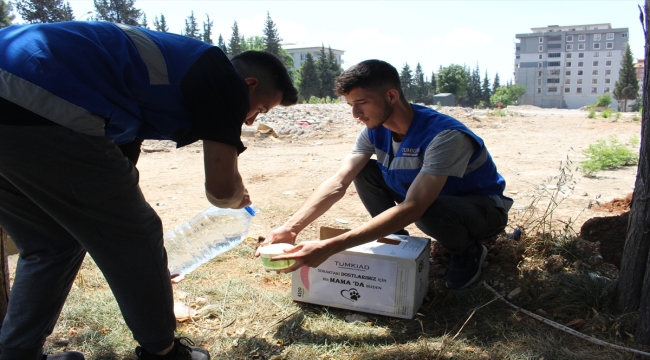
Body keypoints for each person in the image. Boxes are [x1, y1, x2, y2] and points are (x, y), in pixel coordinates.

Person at [0, 21, 298, 360]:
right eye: (259, 110)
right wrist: (237, 195)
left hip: (19, 93)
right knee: (138, 234)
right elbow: (220, 190)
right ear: (249, 85)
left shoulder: (147, 86)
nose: (249, 122)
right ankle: (164, 353)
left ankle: (17, 353)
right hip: (33, 95)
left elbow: (115, 187)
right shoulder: (223, 78)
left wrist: (148, 271)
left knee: (52, 242)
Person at [259, 60, 511, 290]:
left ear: (391, 95)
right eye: (350, 105)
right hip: (429, 201)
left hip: (481, 212)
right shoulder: (374, 130)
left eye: (361, 103)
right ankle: (396, 241)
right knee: (366, 171)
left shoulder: (445, 136)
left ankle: (468, 251)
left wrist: (330, 247)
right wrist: (291, 228)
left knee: (428, 209)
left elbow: (414, 207)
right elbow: (339, 181)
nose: (355, 115)